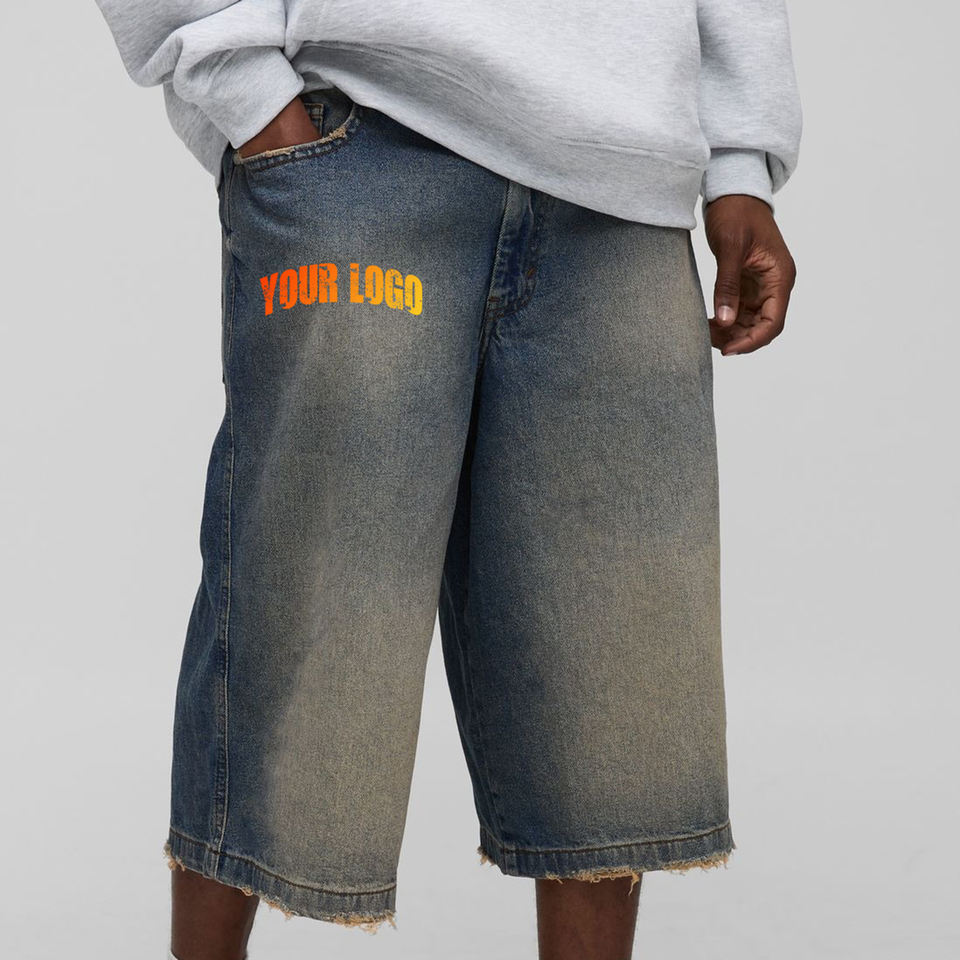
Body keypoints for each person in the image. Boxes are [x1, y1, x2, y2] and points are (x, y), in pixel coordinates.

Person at [94, 3, 802, 958]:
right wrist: (250, 94)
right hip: (365, 139)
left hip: (624, 184)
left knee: (615, 660)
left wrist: (739, 164)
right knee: (302, 617)